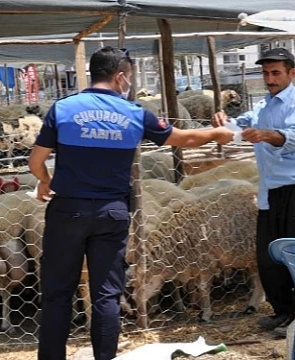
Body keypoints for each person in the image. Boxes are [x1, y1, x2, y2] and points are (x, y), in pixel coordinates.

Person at [28, 46, 234, 360]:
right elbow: (183, 138)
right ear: (120, 76)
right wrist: (216, 133)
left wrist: (45, 179)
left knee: (57, 294)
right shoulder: (135, 113)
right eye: (130, 77)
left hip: (68, 210)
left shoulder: (64, 108)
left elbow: (35, 161)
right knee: (106, 296)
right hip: (112, 212)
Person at [211, 47, 295, 336]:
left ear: (292, 73)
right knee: (269, 254)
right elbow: (243, 123)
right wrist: (225, 123)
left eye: (275, 73)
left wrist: (265, 135)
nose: (270, 79)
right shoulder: (265, 105)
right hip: (272, 188)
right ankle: (282, 310)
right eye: (265, 73)